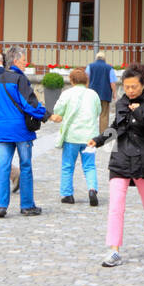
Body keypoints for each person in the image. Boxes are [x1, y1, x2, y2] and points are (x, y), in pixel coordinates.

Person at [91, 64, 144, 266]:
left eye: (134, 86)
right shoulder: (122, 103)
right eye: (126, 87)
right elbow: (117, 127)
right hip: (120, 158)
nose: (130, 91)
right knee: (116, 207)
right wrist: (98, 140)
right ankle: (114, 250)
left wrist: (139, 112)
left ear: (142, 84)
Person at [0, 54, 47, 218]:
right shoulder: (20, 79)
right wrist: (46, 114)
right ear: (15, 61)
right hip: (21, 129)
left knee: (4, 168)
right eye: (23, 61)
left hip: (2, 129)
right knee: (26, 166)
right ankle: (27, 205)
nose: (25, 64)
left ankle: (1, 206)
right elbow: (29, 103)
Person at [50, 68, 101, 206]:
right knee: (89, 165)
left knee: (68, 165)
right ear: (86, 80)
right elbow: (98, 111)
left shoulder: (67, 94)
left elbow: (58, 110)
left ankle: (67, 194)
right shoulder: (93, 94)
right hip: (90, 136)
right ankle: (92, 189)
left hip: (72, 136)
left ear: (71, 80)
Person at [85, 51, 118, 132]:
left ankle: (90, 132)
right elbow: (112, 83)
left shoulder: (90, 66)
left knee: (91, 113)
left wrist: (85, 91)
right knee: (104, 115)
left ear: (96, 58)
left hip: (92, 95)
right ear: (104, 59)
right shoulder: (109, 68)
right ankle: (102, 135)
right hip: (105, 94)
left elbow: (86, 80)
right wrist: (114, 94)